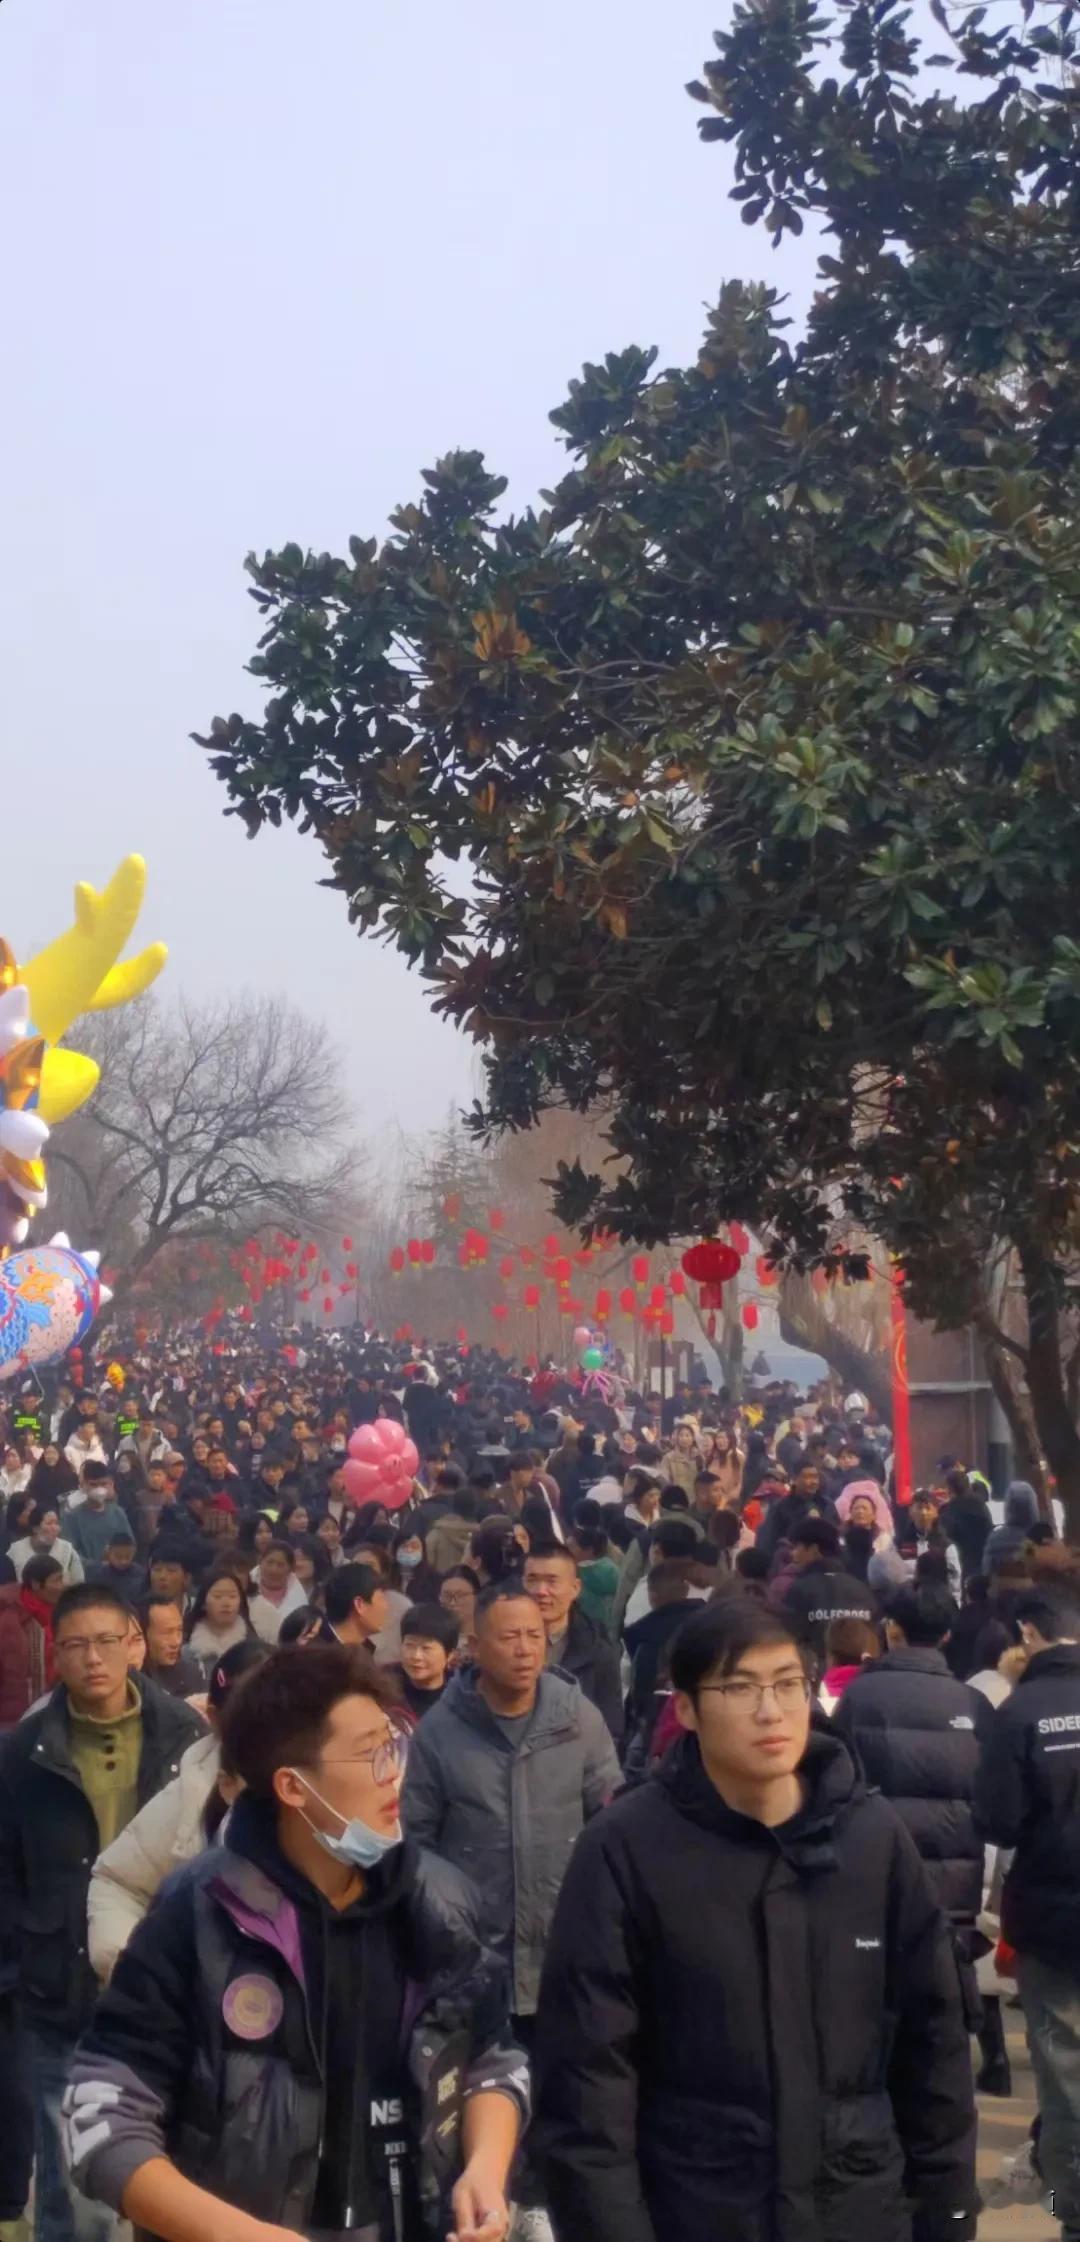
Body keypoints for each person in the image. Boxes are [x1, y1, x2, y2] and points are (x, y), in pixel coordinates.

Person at [532, 1596, 978, 2242]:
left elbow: (934, 2047)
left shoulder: (872, 1839)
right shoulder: (624, 1850)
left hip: (857, 2209)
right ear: (684, 1707)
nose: (771, 1711)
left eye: (788, 1684)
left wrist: (950, 2213)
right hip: (697, 2208)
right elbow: (587, 2088)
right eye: (739, 1687)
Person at [65, 1644, 528, 2242]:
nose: (394, 1773)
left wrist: (485, 2170)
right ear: (292, 1786)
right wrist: (235, 2234)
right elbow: (104, 2112)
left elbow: (493, 2060)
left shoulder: (440, 1902)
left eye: (394, 1745)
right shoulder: (199, 1912)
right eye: (369, 1755)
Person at [0, 1582, 200, 2242]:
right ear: (55, 1656)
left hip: (169, 1995)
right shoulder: (22, 1754)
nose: (94, 1659)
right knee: (70, 2188)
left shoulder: (185, 1738)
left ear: (134, 1644)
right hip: (60, 1996)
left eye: (107, 1642)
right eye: (77, 1645)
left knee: (173, 2181)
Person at [402, 1583, 618, 2026]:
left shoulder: (578, 1720)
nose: (525, 1651)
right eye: (509, 1638)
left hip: (566, 1960)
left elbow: (612, 1826)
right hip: (476, 1967)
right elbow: (417, 1844)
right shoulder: (439, 1733)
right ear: (476, 1647)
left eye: (535, 1636)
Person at [831, 1582, 1004, 2090]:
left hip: (875, 1863)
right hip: (956, 1869)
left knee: (877, 1973)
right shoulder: (973, 1703)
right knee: (953, 1971)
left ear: (892, 1631)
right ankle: (963, 2070)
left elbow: (840, 1780)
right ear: (947, 1635)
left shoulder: (859, 1696)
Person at [975, 1580, 1080, 2236]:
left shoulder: (1018, 1714)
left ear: (1030, 1635)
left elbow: (999, 1821)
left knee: (1065, 2077)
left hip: (1051, 1921)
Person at [87, 1638, 269, 1981]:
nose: (267, 1722)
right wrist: (141, 1977)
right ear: (216, 1719)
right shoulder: (193, 1794)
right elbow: (118, 1882)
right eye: (247, 1711)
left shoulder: (338, 1783)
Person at [523, 1544, 624, 1743]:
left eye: (552, 1581)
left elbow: (612, 1728)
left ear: (575, 1588)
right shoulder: (502, 1643)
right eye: (532, 1580)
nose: (541, 1591)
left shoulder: (597, 1649)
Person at [778, 1517, 877, 1658]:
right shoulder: (861, 1588)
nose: (792, 1554)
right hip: (862, 1675)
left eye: (796, 1547)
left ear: (814, 1549)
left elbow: (791, 1639)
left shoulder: (800, 1590)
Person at [0, 1554, 64, 1728]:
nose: (62, 1586)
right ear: (36, 1584)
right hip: (12, 1719)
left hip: (52, 1711)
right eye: (56, 1580)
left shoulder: (60, 1614)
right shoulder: (9, 1620)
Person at [393, 1603, 458, 1721]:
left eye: (426, 1648)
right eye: (409, 1645)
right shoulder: (383, 1687)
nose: (416, 1656)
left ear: (449, 1655)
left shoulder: (462, 1696)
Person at [184, 1568, 253, 1676]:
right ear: (203, 1603)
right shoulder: (186, 1653)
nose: (226, 1603)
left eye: (232, 1596)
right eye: (218, 1596)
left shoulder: (253, 1651)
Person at [64, 1467, 131, 1572]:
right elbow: (70, 1552)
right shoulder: (72, 1517)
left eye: (103, 1484)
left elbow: (130, 1544)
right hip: (87, 1577)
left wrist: (118, 1560)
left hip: (118, 1574)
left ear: (111, 1485)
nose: (99, 1489)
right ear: (83, 1485)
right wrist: (97, 1566)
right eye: (93, 1484)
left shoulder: (118, 1513)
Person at [139, 1596, 206, 1701]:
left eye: (179, 1631)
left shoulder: (192, 1674)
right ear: (142, 1634)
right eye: (167, 1633)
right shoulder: (132, 1682)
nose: (176, 1642)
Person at [7, 1503, 83, 1588]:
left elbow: (79, 1585)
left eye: (57, 1523)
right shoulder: (15, 1551)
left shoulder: (68, 1550)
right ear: (35, 1528)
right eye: (49, 1523)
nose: (55, 1528)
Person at [247, 1539, 309, 1644]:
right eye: (269, 1562)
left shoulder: (300, 1602)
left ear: (290, 1569)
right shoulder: (244, 1592)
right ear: (260, 1562)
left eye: (280, 1565)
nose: (274, 1569)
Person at [322, 1560, 390, 1653]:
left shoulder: (364, 1651)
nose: (386, 1607)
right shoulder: (316, 1654)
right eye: (382, 1598)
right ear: (359, 1605)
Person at [87, 1529, 146, 1606]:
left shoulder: (140, 1574)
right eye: (118, 1557)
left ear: (134, 1552)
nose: (123, 1561)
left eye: (127, 1557)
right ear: (108, 1553)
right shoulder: (100, 1576)